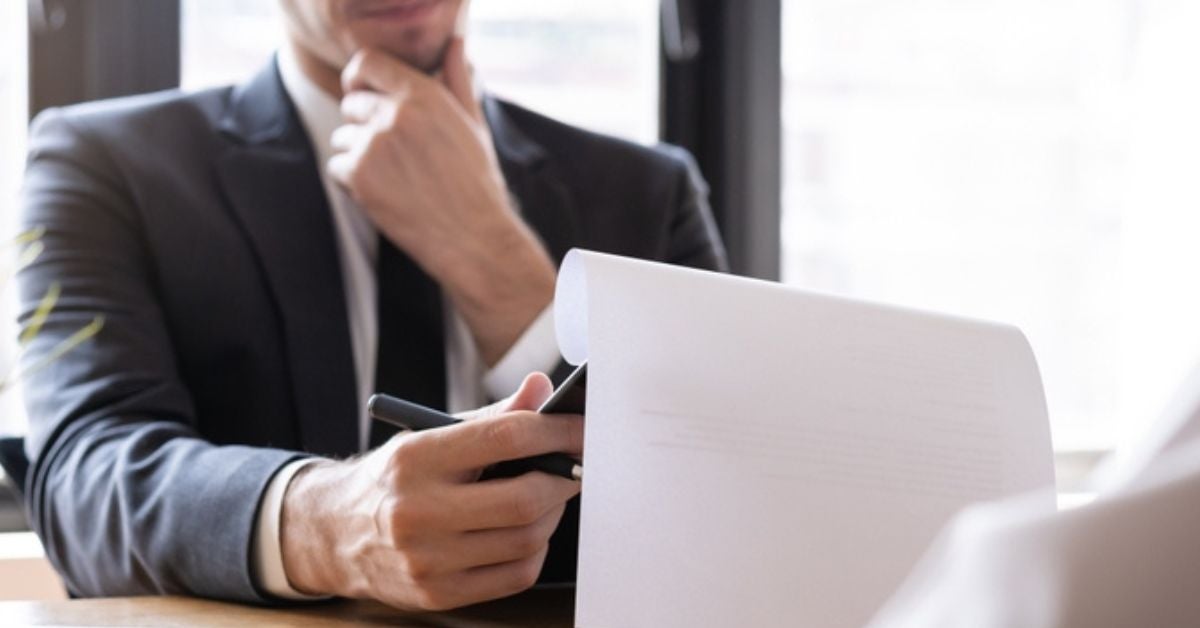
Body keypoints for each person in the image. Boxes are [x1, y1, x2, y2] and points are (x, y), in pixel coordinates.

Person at [17, 0, 726, 610]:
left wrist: (493, 258)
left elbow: (727, 505)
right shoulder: (103, 164)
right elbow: (85, 480)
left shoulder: (651, 195)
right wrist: (326, 527)